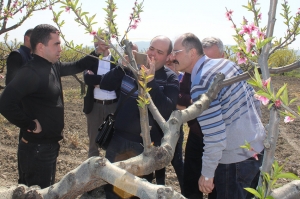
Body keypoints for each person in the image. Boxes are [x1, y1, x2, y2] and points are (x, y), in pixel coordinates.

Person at [0, 24, 100, 189]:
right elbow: (4, 103)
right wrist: (29, 124)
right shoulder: (30, 72)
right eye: (56, 44)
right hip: (36, 150)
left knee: (44, 190)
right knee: (36, 192)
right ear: (41, 47)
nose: (61, 48)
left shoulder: (52, 66)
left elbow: (77, 65)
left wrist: (97, 52)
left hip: (47, 146)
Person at [172, 33, 265, 199]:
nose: (172, 57)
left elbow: (215, 136)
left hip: (233, 163)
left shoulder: (201, 82)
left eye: (176, 52)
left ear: (192, 52)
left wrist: (207, 175)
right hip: (255, 151)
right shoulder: (227, 64)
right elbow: (254, 103)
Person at [95, 35, 179, 198]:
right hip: (117, 141)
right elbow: (105, 84)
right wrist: (121, 66)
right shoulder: (131, 68)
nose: (153, 54)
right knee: (111, 189)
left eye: (159, 52)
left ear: (169, 56)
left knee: (134, 192)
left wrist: (151, 82)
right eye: (151, 48)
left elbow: (166, 109)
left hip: (144, 146)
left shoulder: (170, 78)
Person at [178, 37, 225, 199]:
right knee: (191, 182)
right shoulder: (191, 74)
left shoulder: (227, 78)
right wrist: (196, 101)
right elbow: (179, 95)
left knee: (218, 186)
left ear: (223, 56)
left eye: (213, 59)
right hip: (196, 136)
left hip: (220, 140)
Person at [4, 28, 33, 185]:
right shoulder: (17, 55)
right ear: (27, 39)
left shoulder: (32, 56)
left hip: (32, 110)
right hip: (24, 112)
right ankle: (23, 182)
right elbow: (11, 85)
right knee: (25, 146)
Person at [83, 32, 118, 158]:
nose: (97, 46)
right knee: (93, 144)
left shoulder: (116, 61)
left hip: (112, 107)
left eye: (100, 43)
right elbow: (88, 79)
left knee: (112, 142)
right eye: (95, 43)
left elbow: (114, 83)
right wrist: (106, 81)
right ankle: (93, 173)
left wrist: (98, 81)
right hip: (94, 106)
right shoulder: (91, 59)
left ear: (108, 44)